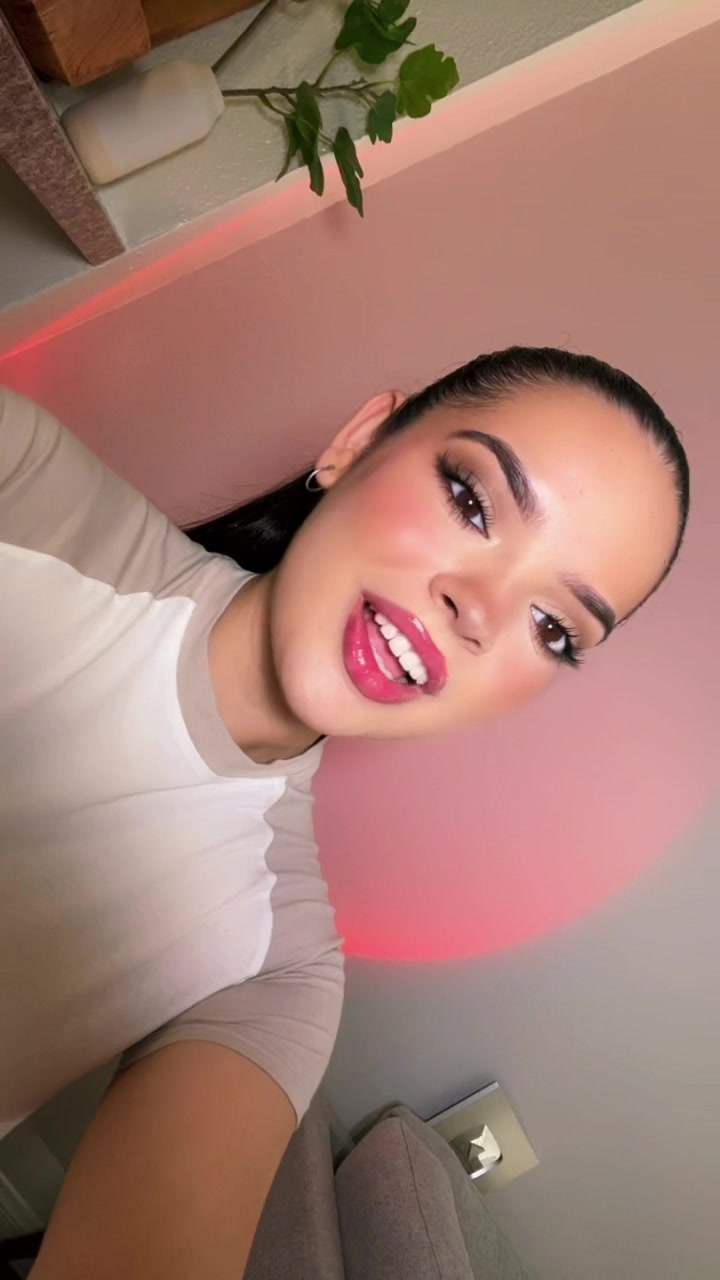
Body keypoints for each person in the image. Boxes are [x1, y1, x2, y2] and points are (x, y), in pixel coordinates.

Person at [0, 347, 689, 1278]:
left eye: (552, 628)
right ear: (358, 444)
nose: (479, 609)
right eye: (473, 501)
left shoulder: (276, 971)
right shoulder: (23, 492)